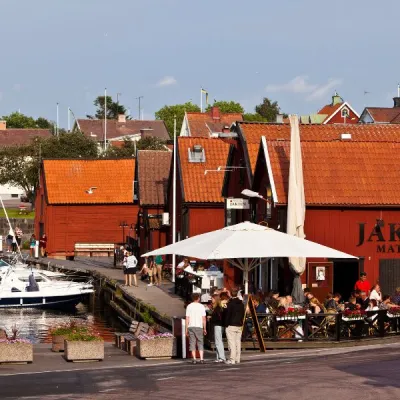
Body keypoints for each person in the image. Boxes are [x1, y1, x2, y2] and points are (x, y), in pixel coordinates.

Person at [224, 288, 245, 365]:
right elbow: (243, 314)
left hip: (231, 324)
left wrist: (226, 324)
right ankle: (237, 358)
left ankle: (232, 359)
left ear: (230, 294)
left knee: (231, 342)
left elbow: (227, 315)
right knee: (237, 342)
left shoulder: (230, 304)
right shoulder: (241, 304)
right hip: (239, 324)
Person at [185, 293, 207, 364]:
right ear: (198, 298)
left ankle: (194, 359)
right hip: (199, 326)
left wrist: (186, 329)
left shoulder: (189, 306)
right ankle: (201, 359)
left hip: (191, 326)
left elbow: (187, 318)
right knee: (200, 342)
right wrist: (204, 328)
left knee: (192, 342)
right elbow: (204, 318)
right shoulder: (201, 306)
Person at [210, 294, 226, 363]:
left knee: (218, 341)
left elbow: (218, 318)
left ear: (215, 299)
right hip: (220, 325)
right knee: (218, 341)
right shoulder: (219, 307)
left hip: (218, 325)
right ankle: (219, 357)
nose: (211, 300)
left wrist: (211, 318)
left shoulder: (217, 308)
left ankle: (222, 357)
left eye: (212, 299)